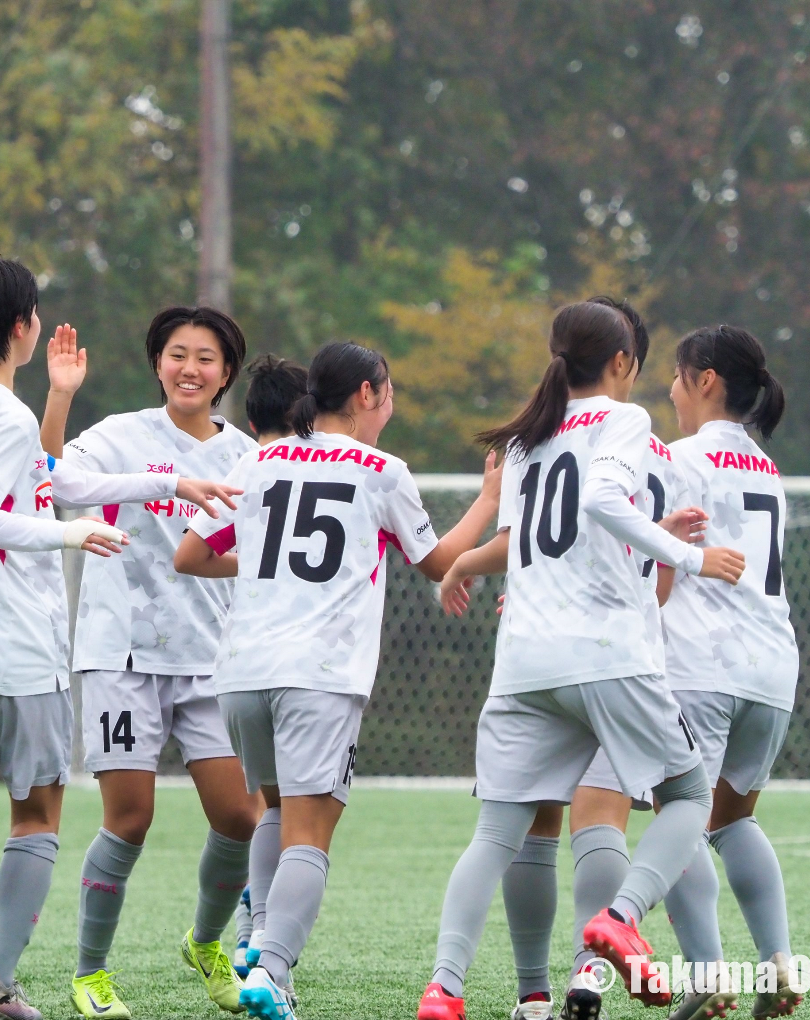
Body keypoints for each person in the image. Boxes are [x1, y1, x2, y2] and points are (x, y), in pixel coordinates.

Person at [0, 256, 241, 1020]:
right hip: (19, 648)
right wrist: (68, 535)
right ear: (23, 327)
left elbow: (56, 482)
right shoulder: (9, 415)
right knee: (37, 814)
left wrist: (167, 485)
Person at [416, 301, 748, 1020]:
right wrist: (688, 553)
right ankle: (618, 924)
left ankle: (445, 988)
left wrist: (462, 563)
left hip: (525, 662)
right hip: (610, 654)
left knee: (498, 834)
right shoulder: (630, 426)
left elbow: (534, 537)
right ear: (624, 361)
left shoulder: (526, 438)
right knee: (688, 795)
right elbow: (602, 508)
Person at [176, 341, 504, 1020]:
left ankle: (258, 944)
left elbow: (189, 553)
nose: (389, 407)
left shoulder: (256, 459)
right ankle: (270, 968)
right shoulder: (382, 471)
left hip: (241, 671)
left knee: (275, 809)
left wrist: (272, 574)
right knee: (309, 832)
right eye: (388, 394)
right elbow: (438, 559)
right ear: (364, 394)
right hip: (319, 675)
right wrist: (490, 499)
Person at [38, 306, 261, 1019]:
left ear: (227, 372)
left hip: (213, 662)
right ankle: (90, 974)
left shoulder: (250, 454)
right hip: (121, 654)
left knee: (240, 819)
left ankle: (205, 943)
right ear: (157, 363)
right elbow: (51, 479)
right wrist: (61, 395)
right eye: (176, 354)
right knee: (130, 821)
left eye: (205, 357)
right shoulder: (120, 436)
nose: (189, 368)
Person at [657, 326, 802, 1020]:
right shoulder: (767, 468)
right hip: (772, 664)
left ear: (706, 380)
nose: (671, 389)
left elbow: (646, 552)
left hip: (699, 661)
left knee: (678, 817)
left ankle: (707, 973)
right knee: (733, 820)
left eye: (677, 376)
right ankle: (778, 960)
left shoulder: (678, 458)